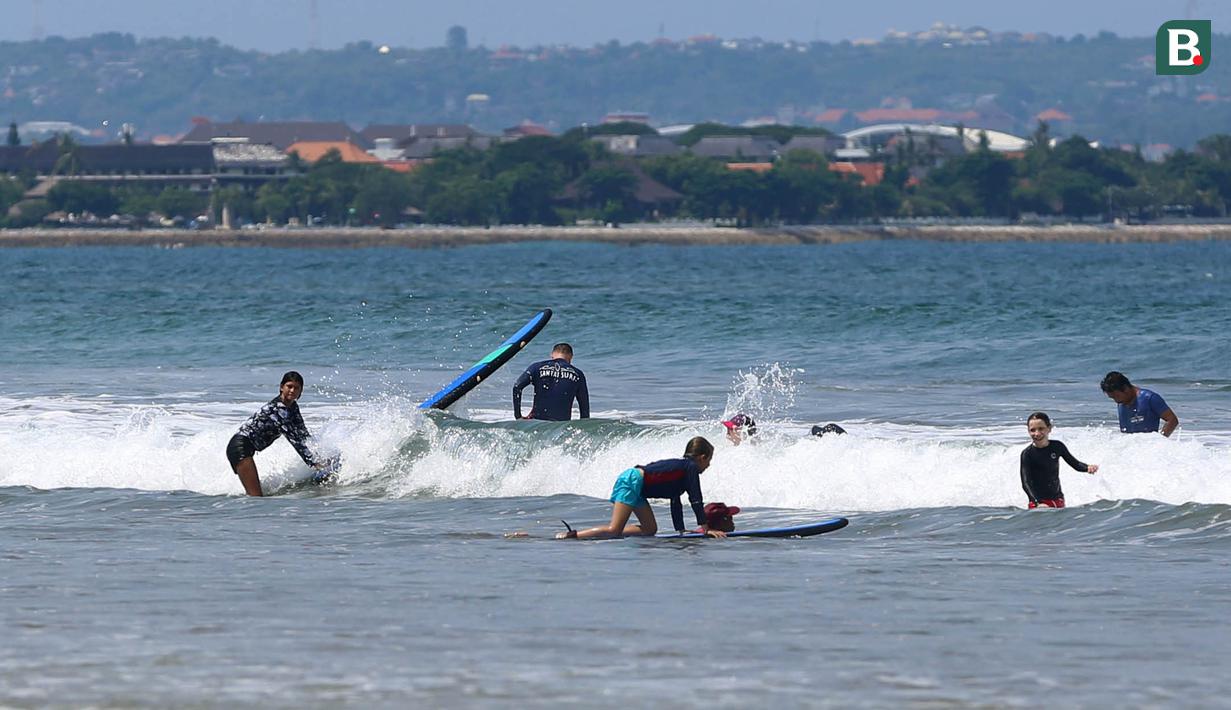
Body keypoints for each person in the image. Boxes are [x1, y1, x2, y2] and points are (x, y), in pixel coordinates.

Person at [556, 436, 726, 539]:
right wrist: (706, 529)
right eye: (709, 461)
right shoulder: (690, 468)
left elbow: (676, 501)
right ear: (702, 458)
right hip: (632, 481)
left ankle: (607, 535)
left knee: (650, 529)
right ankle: (573, 536)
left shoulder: (682, 472)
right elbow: (696, 499)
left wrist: (680, 530)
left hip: (638, 486)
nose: (708, 465)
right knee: (614, 529)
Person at [226, 371, 333, 496]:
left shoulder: (293, 407)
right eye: (289, 386)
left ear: (301, 391)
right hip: (239, 448)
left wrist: (320, 454)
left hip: (246, 449)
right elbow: (294, 439)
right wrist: (313, 463)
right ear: (281, 387)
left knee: (256, 497)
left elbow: (303, 434)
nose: (292, 390)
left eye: (296, 388)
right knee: (256, 497)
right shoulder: (278, 409)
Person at [1020, 411, 1099, 509]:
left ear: (1049, 428)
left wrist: (1087, 467)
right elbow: (1026, 482)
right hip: (1038, 503)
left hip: (1058, 499)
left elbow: (1075, 464)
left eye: (1041, 429)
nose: (1037, 433)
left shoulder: (1057, 446)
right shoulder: (1027, 454)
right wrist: (1037, 503)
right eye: (1032, 430)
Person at [513, 342, 590, 421]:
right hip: (561, 426)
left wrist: (518, 416)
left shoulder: (537, 367)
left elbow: (517, 386)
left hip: (537, 423)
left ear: (552, 355)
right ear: (571, 357)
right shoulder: (578, 374)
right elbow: (584, 405)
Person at [1100, 371, 1179, 437]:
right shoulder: (1121, 403)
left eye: (1117, 396)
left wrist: (1158, 442)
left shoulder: (1150, 398)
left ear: (1125, 389)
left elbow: (1172, 420)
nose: (1116, 401)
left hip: (1147, 449)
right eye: (1112, 398)